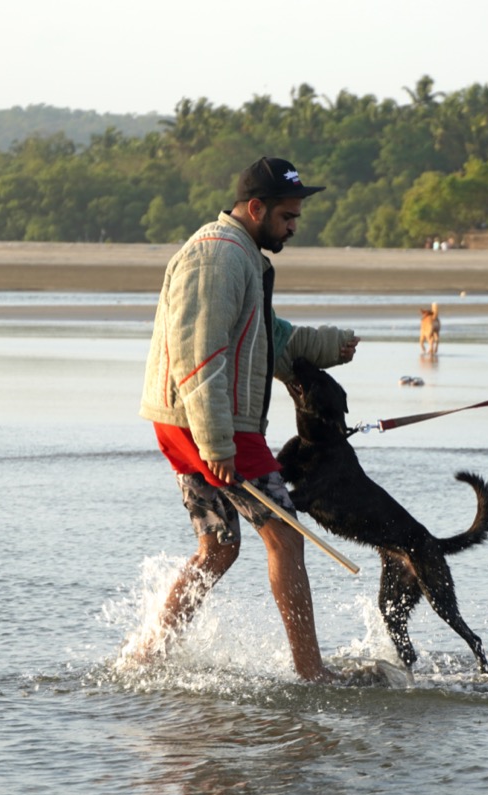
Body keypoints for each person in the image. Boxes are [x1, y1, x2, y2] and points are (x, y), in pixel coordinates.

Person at [135, 157, 360, 682]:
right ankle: (312, 674)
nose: (294, 226)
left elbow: (268, 337)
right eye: (287, 216)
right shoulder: (217, 256)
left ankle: (147, 659)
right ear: (256, 208)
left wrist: (329, 346)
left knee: (219, 547)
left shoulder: (241, 256)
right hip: (212, 423)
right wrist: (217, 442)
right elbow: (198, 353)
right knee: (287, 537)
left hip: (191, 421)